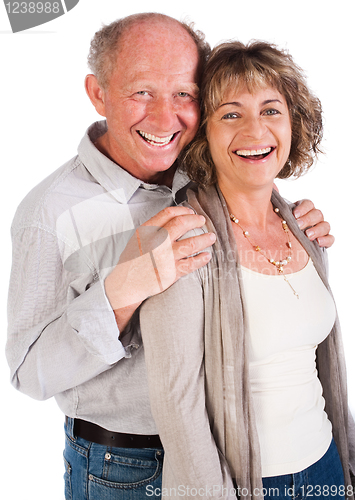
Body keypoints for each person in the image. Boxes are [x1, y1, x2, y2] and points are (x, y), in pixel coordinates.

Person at [6, 14, 333, 500]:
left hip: (236, 451)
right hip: (124, 466)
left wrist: (293, 221)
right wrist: (124, 287)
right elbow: (28, 373)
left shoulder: (203, 166)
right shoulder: (51, 211)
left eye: (184, 94)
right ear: (98, 93)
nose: (164, 119)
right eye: (142, 92)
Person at [139, 41, 355, 499]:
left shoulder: (304, 227)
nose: (256, 130)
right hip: (246, 484)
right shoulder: (183, 240)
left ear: (294, 123)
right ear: (203, 133)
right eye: (231, 114)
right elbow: (178, 408)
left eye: (271, 110)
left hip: (327, 466)